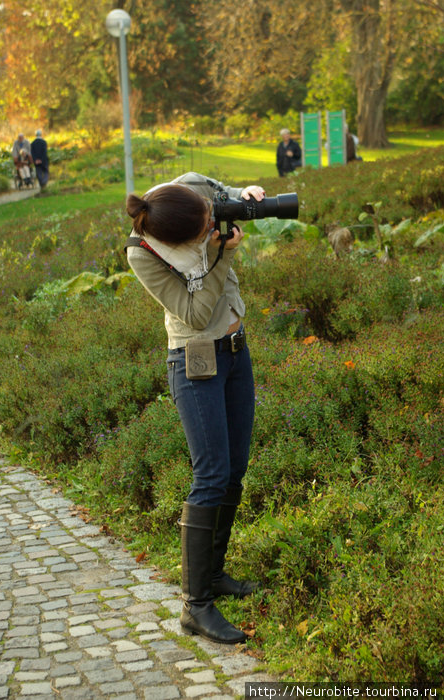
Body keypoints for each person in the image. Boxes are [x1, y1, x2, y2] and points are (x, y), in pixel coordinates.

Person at [125, 172, 265, 645]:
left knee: (235, 471)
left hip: (234, 352)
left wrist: (239, 194)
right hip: (194, 359)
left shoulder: (186, 189)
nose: (212, 222)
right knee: (210, 476)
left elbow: (210, 185)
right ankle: (195, 606)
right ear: (179, 236)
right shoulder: (143, 254)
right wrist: (221, 257)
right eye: (204, 224)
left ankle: (216, 576)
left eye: (210, 216)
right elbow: (196, 313)